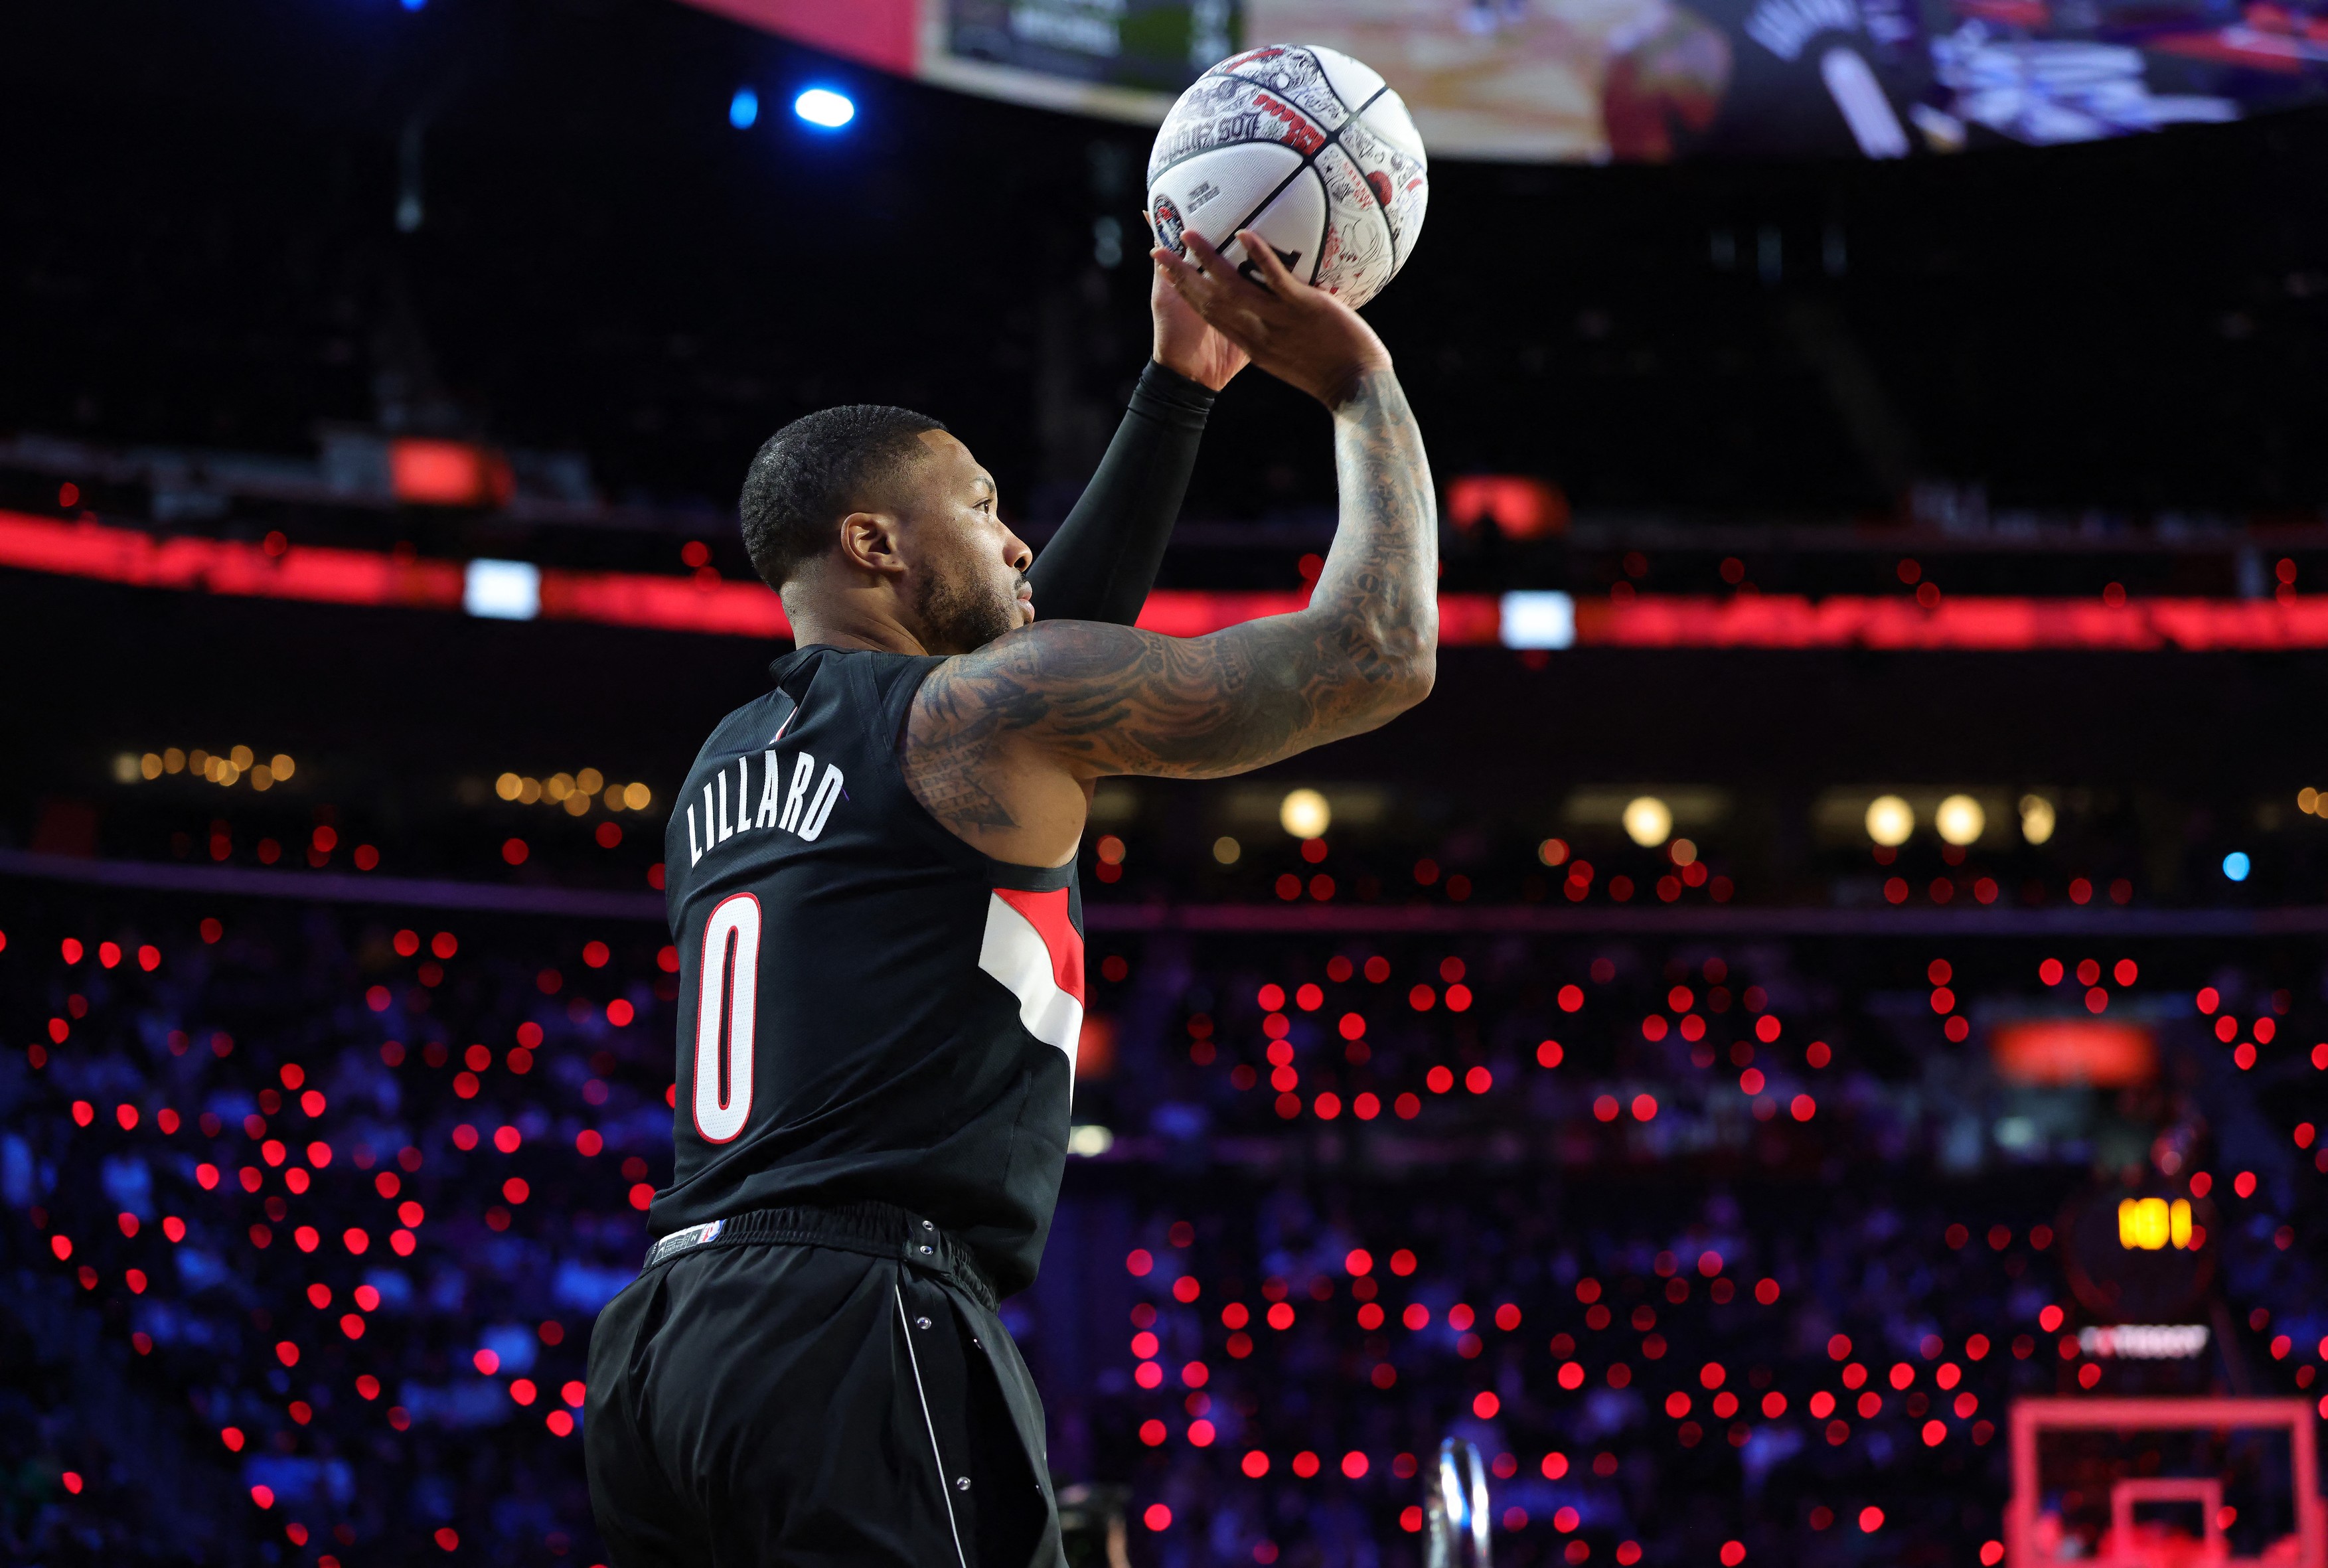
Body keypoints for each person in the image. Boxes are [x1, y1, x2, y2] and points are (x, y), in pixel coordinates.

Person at [584, 230, 1436, 1568]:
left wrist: (1175, 389)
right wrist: (1357, 385)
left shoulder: (729, 757)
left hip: (664, 1344)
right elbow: (1378, 652)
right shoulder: (971, 719)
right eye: (981, 506)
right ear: (873, 542)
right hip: (852, 1321)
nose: (1017, 537)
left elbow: (1031, 648)